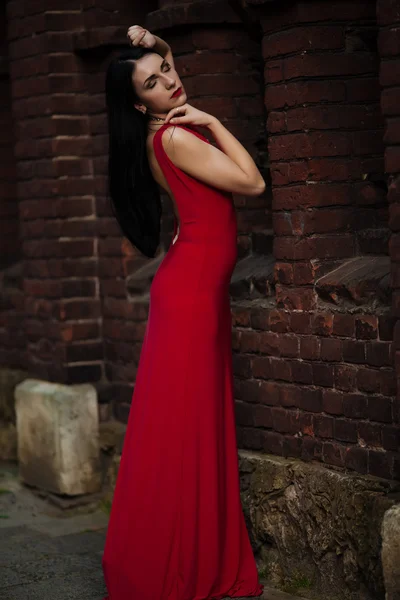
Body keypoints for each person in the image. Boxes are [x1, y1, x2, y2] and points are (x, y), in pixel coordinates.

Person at [102, 24, 266, 600]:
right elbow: (252, 182)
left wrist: (158, 42)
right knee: (184, 428)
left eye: (167, 69)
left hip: (192, 285)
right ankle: (171, 562)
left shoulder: (156, 132)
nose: (170, 81)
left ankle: (187, 552)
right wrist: (212, 121)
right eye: (153, 81)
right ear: (135, 99)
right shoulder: (174, 137)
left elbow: (160, 63)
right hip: (192, 293)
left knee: (190, 423)